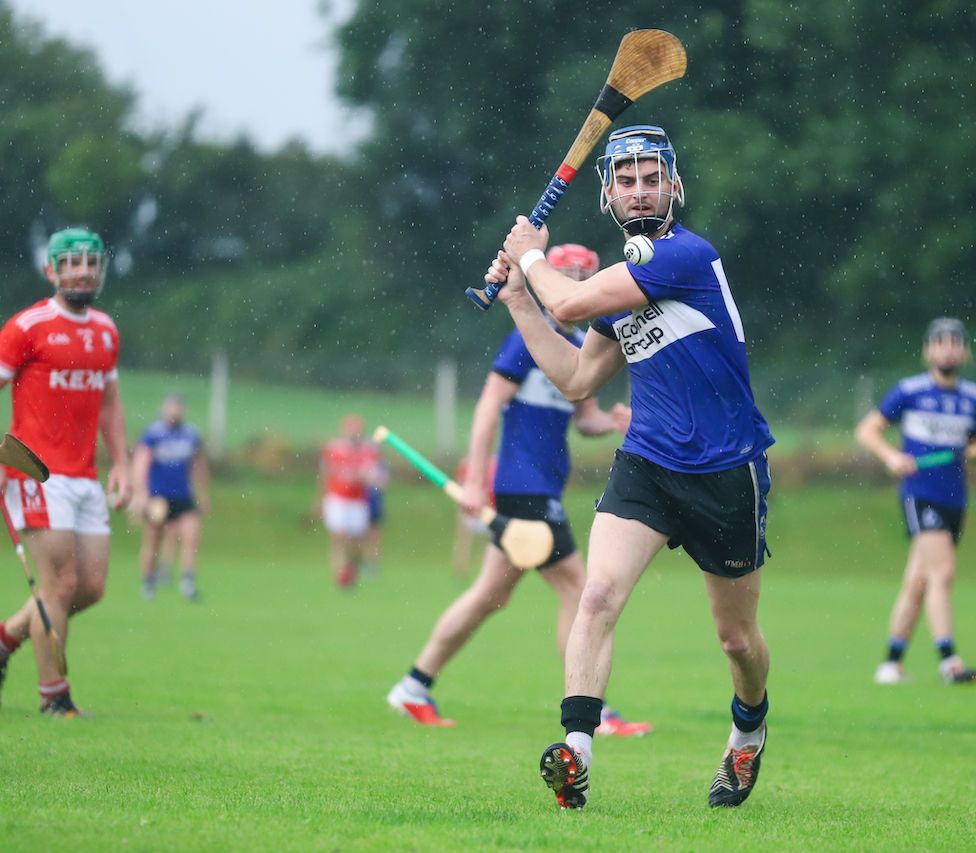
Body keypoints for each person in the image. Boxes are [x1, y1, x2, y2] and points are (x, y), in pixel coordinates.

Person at [486, 126, 775, 809]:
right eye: (628, 179)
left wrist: (530, 259)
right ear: (608, 193)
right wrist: (521, 300)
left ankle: (750, 729)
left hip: (726, 470)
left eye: (653, 177)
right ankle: (577, 750)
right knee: (596, 595)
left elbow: (568, 301)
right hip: (647, 461)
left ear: (675, 186)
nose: (641, 189)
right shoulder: (624, 283)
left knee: (736, 639)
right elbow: (578, 376)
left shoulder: (682, 255)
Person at [387, 243, 651, 738]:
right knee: (579, 589)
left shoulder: (579, 348)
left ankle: (414, 686)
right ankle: (595, 712)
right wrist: (472, 481)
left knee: (490, 595)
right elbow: (489, 406)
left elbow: (583, 418)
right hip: (522, 487)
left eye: (582, 276)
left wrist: (613, 422)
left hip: (542, 485)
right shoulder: (529, 338)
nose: (574, 284)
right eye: (566, 274)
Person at [0, 227, 131, 716]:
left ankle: (6, 637)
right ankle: (55, 698)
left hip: (84, 475)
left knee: (90, 587)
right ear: (51, 270)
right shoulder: (27, 327)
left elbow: (111, 402)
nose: (82, 271)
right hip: (35, 472)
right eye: (71, 262)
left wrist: (123, 462)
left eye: (91, 263)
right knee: (58, 586)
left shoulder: (105, 330)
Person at [854, 318, 976, 686]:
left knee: (919, 581)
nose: (948, 349)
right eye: (941, 343)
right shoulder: (909, 391)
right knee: (943, 573)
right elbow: (866, 430)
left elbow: (969, 451)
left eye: (956, 343)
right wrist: (892, 458)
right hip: (919, 494)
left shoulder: (974, 398)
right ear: (928, 350)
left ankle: (891, 664)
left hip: (955, 498)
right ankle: (949, 661)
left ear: (965, 351)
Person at [131, 392, 210, 601]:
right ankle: (148, 581)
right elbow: (141, 464)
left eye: (179, 407)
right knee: (153, 541)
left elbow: (198, 465)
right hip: (158, 497)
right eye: (172, 406)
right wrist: (142, 495)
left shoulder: (191, 435)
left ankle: (187, 582)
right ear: (164, 408)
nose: (175, 411)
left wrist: (202, 494)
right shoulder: (153, 434)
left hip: (183, 497)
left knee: (192, 536)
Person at [314, 414, 381, 588]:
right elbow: (325, 475)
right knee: (338, 537)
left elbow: (373, 475)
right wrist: (319, 501)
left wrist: (368, 477)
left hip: (358, 501)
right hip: (337, 499)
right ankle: (340, 574)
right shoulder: (334, 449)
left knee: (357, 543)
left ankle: (351, 570)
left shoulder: (369, 451)